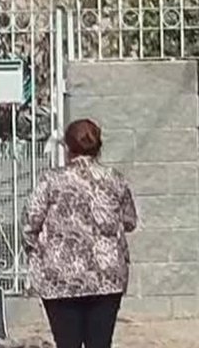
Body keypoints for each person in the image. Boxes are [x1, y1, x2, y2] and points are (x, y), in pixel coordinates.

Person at [24, 119, 138, 348]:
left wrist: (39, 252)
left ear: (68, 148)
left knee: (67, 343)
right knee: (100, 343)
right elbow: (129, 221)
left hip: (60, 278)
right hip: (107, 277)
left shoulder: (51, 180)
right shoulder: (115, 179)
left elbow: (30, 223)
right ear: (99, 147)